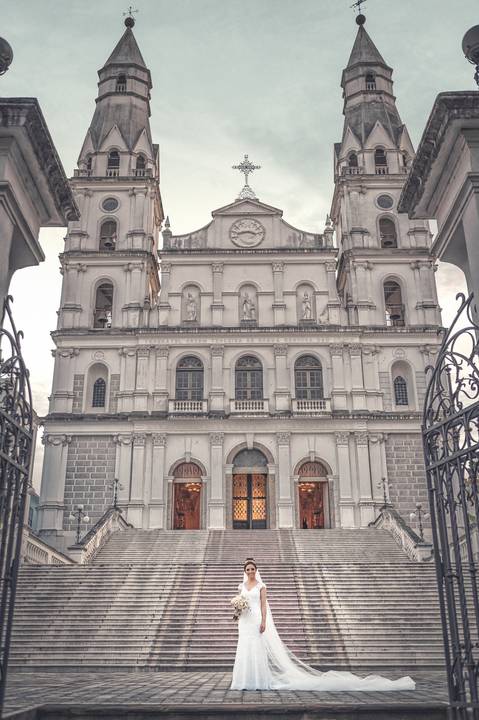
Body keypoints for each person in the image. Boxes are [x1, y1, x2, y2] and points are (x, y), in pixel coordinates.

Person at [230, 558, 416, 692]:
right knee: (244, 648)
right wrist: (237, 611)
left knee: (256, 648)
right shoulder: (241, 586)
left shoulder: (262, 586)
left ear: (256, 570)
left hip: (256, 621)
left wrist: (264, 622)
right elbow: (240, 602)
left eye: (253, 569)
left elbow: (263, 605)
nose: (250, 572)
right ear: (244, 571)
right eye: (248, 569)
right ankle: (243, 680)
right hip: (244, 622)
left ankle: (258, 680)